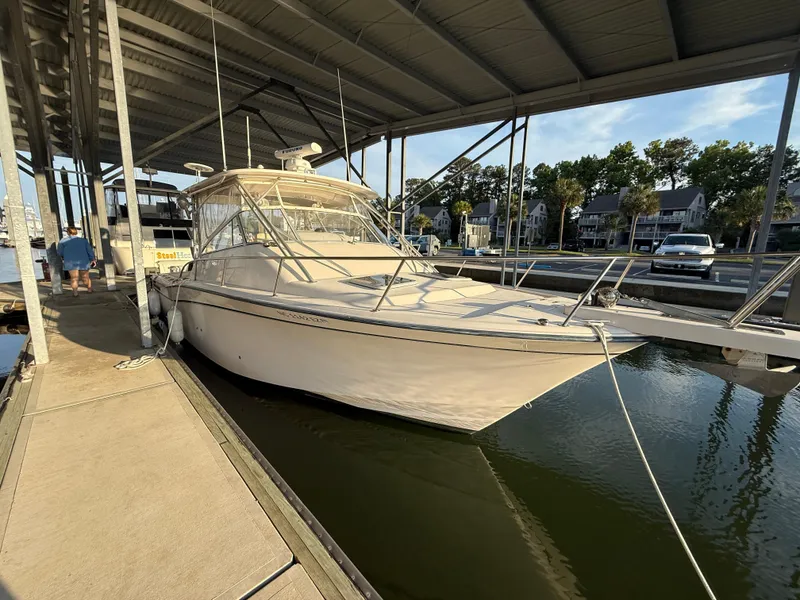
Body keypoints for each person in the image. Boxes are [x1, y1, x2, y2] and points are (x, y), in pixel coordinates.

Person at [57, 227, 96, 297]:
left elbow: (60, 252)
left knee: (74, 278)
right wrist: (92, 259)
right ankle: (89, 289)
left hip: (70, 262)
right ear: (76, 232)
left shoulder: (62, 241)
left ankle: (75, 293)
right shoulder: (83, 241)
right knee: (85, 277)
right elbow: (89, 251)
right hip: (83, 261)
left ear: (68, 232)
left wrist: (65, 255)